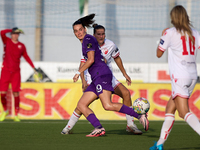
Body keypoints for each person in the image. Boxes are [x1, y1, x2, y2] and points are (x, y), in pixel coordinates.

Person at [62, 14, 149, 137]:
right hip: (96, 78)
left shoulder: (88, 40)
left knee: (108, 105)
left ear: (85, 29)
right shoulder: (87, 42)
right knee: (81, 105)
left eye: (80, 29)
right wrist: (83, 79)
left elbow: (91, 60)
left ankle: (139, 115)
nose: (78, 33)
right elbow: (91, 59)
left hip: (101, 75)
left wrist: (77, 72)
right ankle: (98, 128)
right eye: (76, 31)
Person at [149, 5, 200, 150]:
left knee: (183, 112)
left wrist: (162, 36)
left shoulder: (169, 33)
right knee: (170, 109)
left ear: (173, 17)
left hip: (180, 76)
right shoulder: (195, 33)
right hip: (192, 76)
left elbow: (159, 54)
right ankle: (159, 144)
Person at [0, 27, 38, 122]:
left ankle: (16, 114)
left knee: (16, 93)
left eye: (17, 34)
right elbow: (2, 32)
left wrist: (33, 67)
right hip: (5, 71)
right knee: (2, 93)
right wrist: (11, 29)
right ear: (11, 34)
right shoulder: (6, 41)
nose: (15, 35)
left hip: (16, 72)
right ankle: (5, 110)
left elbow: (26, 57)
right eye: (14, 33)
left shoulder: (22, 46)